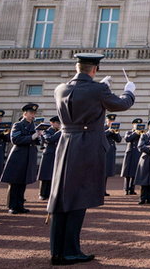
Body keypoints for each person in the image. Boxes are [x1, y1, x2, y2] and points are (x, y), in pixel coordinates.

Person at [47, 53, 135, 265]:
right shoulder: (98, 90)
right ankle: (70, 251)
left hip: (66, 143)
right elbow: (121, 105)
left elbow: (81, 98)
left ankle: (57, 250)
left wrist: (101, 87)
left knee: (62, 196)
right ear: (94, 70)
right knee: (79, 196)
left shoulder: (61, 88)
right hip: (86, 145)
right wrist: (129, 91)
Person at [1, 102, 44, 214]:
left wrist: (40, 136)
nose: (32, 115)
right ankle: (12, 206)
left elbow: (38, 142)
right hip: (19, 156)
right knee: (15, 182)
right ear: (24, 113)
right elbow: (15, 140)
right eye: (30, 112)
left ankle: (20, 205)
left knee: (23, 182)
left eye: (34, 113)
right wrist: (32, 136)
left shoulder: (34, 126)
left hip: (29, 156)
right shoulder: (18, 125)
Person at [37, 116, 62, 200]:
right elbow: (49, 139)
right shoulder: (46, 130)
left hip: (57, 154)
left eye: (59, 123)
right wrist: (60, 132)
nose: (59, 125)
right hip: (48, 154)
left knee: (53, 175)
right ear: (52, 123)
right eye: (57, 123)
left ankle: (51, 193)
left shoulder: (58, 132)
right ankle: (42, 193)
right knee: (45, 175)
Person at [121, 117, 144, 195]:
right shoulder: (129, 132)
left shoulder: (142, 133)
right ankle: (126, 188)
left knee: (134, 171)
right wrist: (135, 133)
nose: (138, 125)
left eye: (139, 124)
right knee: (127, 171)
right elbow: (127, 139)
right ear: (133, 125)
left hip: (137, 153)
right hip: (130, 153)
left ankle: (132, 188)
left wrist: (141, 134)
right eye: (136, 124)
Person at [103, 114, 122, 195]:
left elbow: (119, 140)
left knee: (106, 173)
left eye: (113, 121)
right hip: (103, 152)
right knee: (102, 173)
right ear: (106, 120)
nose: (111, 122)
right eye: (110, 120)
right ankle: (99, 190)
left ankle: (103, 190)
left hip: (110, 153)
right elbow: (100, 136)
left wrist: (115, 132)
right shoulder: (102, 128)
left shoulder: (115, 129)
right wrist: (109, 131)